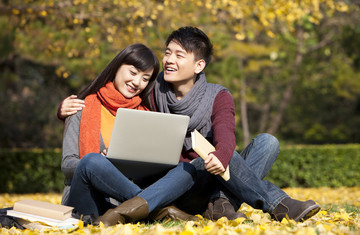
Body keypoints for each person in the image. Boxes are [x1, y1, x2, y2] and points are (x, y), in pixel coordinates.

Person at [59, 27, 321, 223]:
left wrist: (221, 154)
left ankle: (221, 204)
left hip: (207, 174)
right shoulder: (151, 93)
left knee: (266, 142)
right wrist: (63, 112)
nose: (169, 60)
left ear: (199, 65)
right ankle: (271, 204)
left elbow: (226, 135)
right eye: (168, 53)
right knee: (190, 165)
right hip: (170, 183)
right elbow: (86, 152)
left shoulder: (212, 96)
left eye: (178, 55)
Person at [61, 43, 198, 227]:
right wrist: (104, 165)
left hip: (122, 203)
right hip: (87, 200)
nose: (136, 82)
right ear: (117, 67)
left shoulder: (145, 116)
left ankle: (142, 207)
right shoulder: (81, 108)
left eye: (145, 78)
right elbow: (67, 164)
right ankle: (158, 210)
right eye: (133, 73)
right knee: (92, 161)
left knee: (187, 170)